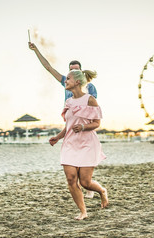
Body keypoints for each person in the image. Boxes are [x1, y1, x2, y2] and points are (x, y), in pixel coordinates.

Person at [29, 42, 96, 198]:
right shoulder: (65, 81)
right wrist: (36, 50)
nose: (73, 72)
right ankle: (82, 184)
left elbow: (93, 110)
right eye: (71, 70)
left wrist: (85, 125)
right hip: (70, 122)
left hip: (84, 125)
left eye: (76, 69)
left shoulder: (90, 87)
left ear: (81, 71)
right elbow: (48, 68)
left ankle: (88, 186)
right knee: (73, 154)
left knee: (84, 154)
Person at [49, 69, 108, 220]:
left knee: (86, 182)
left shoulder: (90, 99)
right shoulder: (68, 102)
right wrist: (57, 137)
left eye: (68, 79)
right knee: (71, 179)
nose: (65, 81)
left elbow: (96, 123)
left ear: (77, 82)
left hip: (87, 144)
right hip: (70, 144)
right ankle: (83, 211)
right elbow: (69, 124)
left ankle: (101, 191)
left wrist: (82, 127)